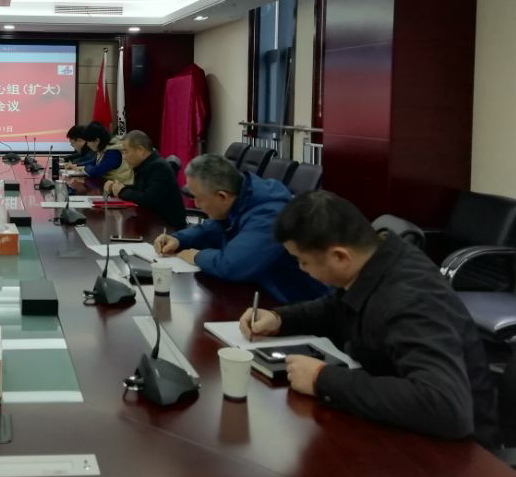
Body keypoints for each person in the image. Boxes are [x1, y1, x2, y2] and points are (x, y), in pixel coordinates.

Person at [238, 190, 499, 449]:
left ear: (340, 256)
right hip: (402, 423)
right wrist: (280, 319)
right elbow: (337, 308)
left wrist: (322, 379)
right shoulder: (377, 261)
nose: (301, 269)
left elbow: (445, 406)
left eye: (303, 261)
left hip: (457, 453)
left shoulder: (410, 298)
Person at [154, 154, 326, 303]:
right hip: (261, 288)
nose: (196, 205)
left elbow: (232, 266)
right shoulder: (242, 193)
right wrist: (179, 239)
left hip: (296, 303)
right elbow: (216, 225)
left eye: (198, 198)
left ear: (222, 196)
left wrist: (196, 256)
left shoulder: (268, 213)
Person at [103, 130, 186, 229]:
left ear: (140, 150)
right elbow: (140, 189)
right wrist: (116, 187)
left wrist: (122, 191)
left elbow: (148, 199)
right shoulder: (147, 165)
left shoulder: (159, 168)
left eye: (125, 152)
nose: (124, 157)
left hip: (169, 228)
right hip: (153, 224)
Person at [66, 122, 133, 184]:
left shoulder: (113, 153)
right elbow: (93, 162)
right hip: (109, 186)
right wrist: (76, 166)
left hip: (122, 188)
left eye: (89, 142)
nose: (87, 145)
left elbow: (96, 172)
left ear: (97, 140)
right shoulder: (102, 149)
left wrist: (83, 168)